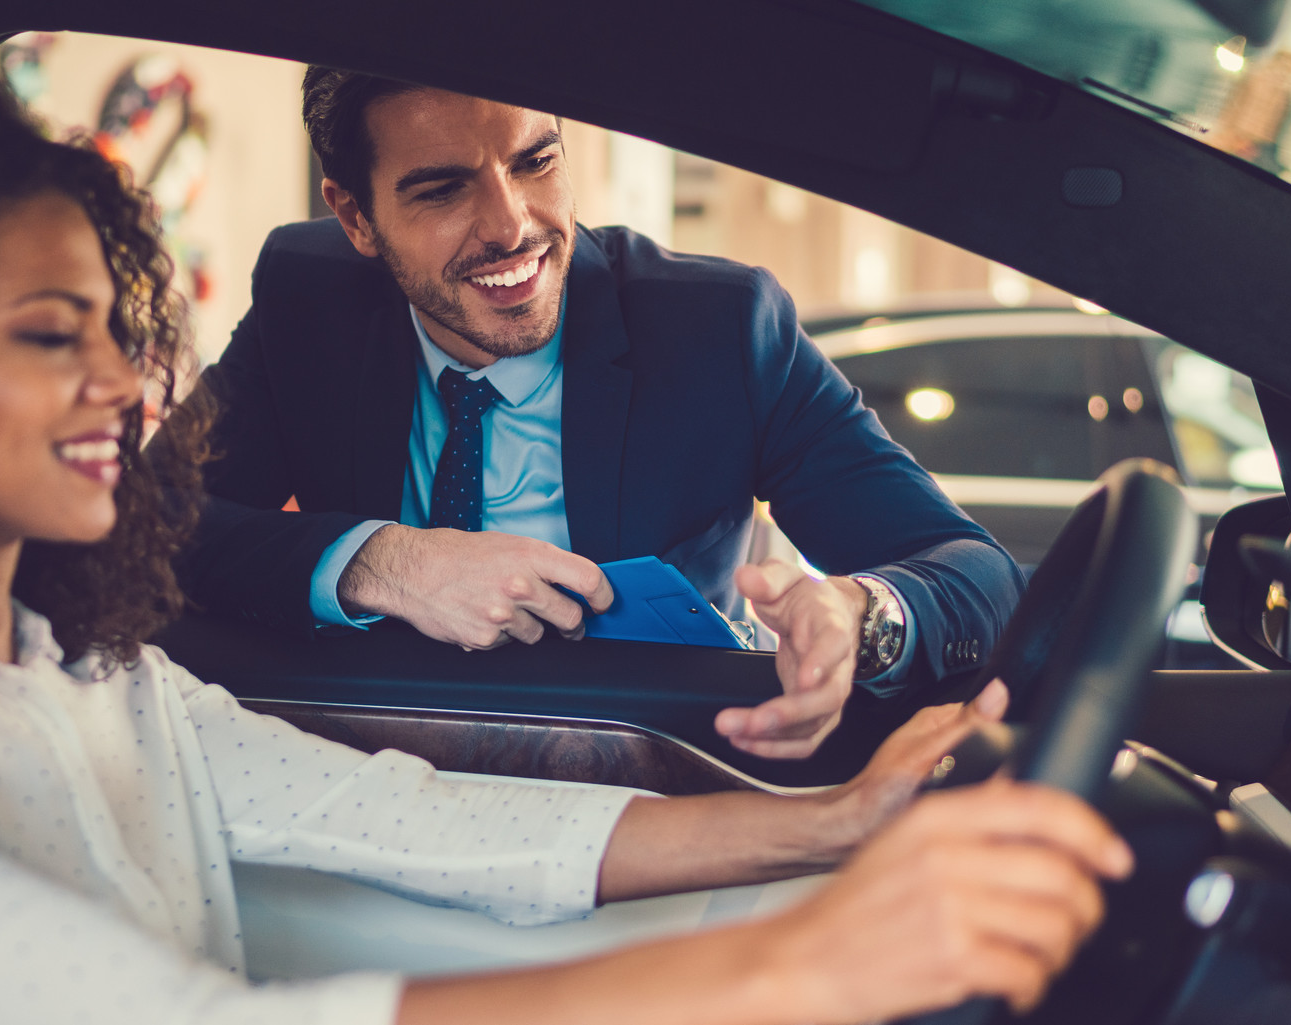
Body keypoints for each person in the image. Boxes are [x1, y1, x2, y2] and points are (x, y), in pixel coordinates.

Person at [0, 70, 1127, 1025]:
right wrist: (806, 969)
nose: (127, 387)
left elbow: (401, 810)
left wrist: (833, 818)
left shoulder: (75, 675)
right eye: (49, 336)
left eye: (116, 330)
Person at [178, 68, 1025, 760]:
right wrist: (387, 563)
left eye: (535, 162)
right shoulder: (307, 297)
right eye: (442, 191)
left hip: (643, 784)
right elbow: (152, 525)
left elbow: (976, 572)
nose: (512, 226)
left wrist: (861, 617)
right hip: (364, 780)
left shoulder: (719, 329)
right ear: (356, 217)